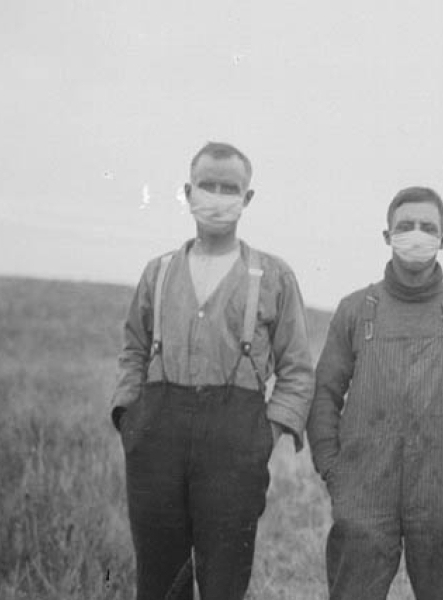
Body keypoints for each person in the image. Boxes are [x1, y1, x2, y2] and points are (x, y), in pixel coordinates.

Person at [110, 142, 315, 600]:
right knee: (160, 579)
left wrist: (268, 433)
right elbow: (133, 349)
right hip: (157, 434)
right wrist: (130, 419)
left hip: (235, 438)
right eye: (208, 185)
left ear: (247, 198)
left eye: (229, 188)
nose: (217, 196)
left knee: (224, 575)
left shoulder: (273, 275)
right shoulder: (158, 272)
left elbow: (297, 369)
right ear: (187, 191)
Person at [307, 186, 443, 600]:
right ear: (387, 235)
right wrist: (333, 471)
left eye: (427, 227)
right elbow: (325, 394)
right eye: (405, 226)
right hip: (363, 491)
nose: (416, 234)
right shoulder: (355, 309)